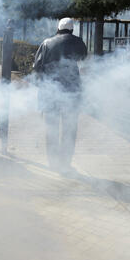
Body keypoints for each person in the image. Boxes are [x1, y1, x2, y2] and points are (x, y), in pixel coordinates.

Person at [32, 18, 87, 172]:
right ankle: (65, 164)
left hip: (50, 93)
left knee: (52, 129)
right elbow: (83, 57)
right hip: (72, 92)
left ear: (58, 28)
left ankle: (53, 164)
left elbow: (37, 68)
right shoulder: (78, 42)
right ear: (71, 30)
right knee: (70, 129)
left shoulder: (47, 43)